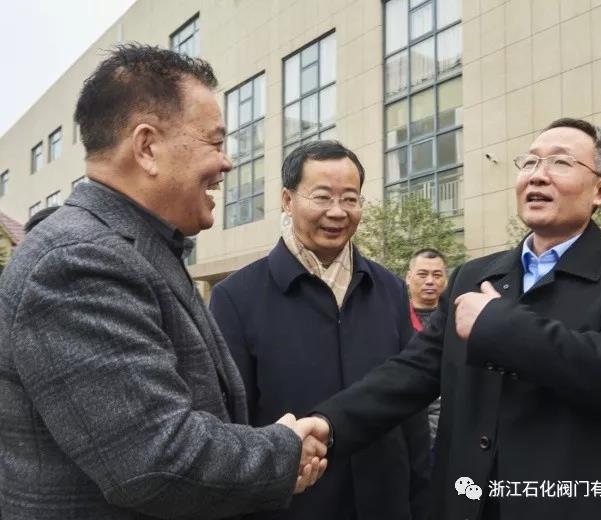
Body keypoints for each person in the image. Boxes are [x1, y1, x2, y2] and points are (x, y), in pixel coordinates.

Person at [0, 44, 327, 520]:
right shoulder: (79, 260)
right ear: (147, 147)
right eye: (215, 142)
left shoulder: (135, 246)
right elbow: (155, 457)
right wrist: (283, 451)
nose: (226, 163)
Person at [309, 118, 601, 520]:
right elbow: (412, 372)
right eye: (530, 162)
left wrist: (498, 324)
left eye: (560, 163)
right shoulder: (474, 276)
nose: (538, 175)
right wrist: (328, 424)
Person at [210, 140, 431, 520]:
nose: (338, 212)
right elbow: (229, 425)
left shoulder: (390, 289)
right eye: (323, 197)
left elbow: (411, 408)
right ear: (287, 200)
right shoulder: (236, 297)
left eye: (350, 199)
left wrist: (422, 502)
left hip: (386, 503)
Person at [405, 248, 448, 445]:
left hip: (449, 420)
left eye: (437, 275)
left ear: (446, 280)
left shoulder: (457, 319)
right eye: (422, 274)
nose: (430, 281)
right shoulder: (395, 319)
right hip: (410, 420)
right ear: (408, 277)